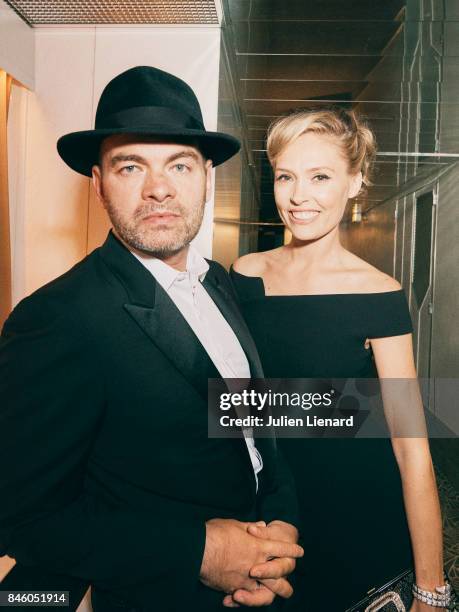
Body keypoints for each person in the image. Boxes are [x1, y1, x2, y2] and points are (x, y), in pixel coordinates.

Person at [0, 66, 304, 612]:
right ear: (97, 183)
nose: (158, 188)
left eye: (180, 164)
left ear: (207, 177)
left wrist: (280, 522)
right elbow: (21, 518)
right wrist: (201, 552)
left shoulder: (222, 284)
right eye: (130, 165)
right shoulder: (55, 319)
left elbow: (252, 427)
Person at [231, 107, 448, 610]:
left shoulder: (378, 294)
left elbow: (411, 448)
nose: (298, 196)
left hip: (358, 521)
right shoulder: (244, 275)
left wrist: (431, 589)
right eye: (286, 176)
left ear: (356, 182)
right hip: (267, 517)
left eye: (320, 177)